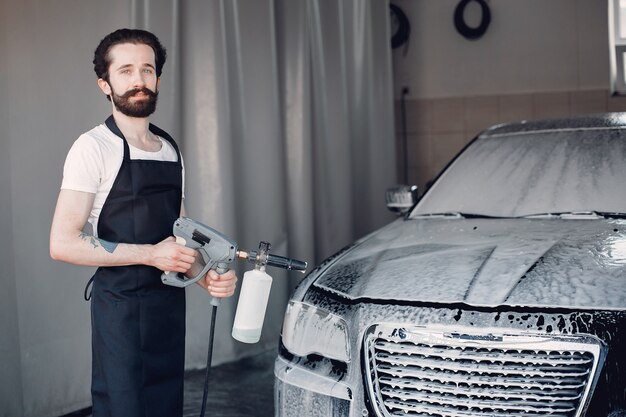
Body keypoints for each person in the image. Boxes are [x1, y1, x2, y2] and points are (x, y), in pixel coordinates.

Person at [49, 28, 237, 417]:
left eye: (148, 71)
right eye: (126, 71)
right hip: (119, 310)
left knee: (165, 406)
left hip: (168, 309)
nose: (139, 80)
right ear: (105, 83)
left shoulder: (170, 149)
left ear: (158, 80)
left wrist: (205, 277)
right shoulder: (92, 148)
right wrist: (151, 254)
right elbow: (62, 243)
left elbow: (181, 238)